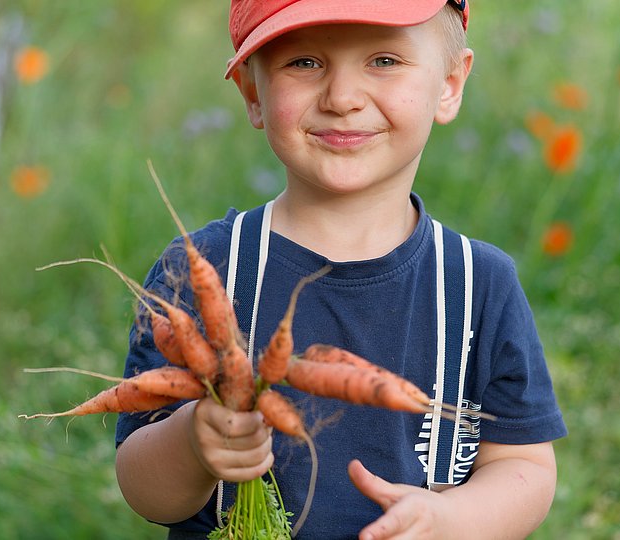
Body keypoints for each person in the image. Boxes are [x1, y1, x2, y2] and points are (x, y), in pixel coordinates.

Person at [114, 0, 567, 538]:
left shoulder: (479, 283)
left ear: (449, 84)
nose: (343, 99)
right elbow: (145, 490)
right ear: (253, 94)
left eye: (384, 61)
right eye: (304, 63)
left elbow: (524, 467)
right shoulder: (205, 269)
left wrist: (452, 519)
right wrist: (192, 442)